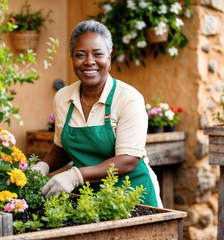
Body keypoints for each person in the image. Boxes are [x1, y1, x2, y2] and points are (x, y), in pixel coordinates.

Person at [32, 20, 163, 207]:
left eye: (98, 54)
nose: (89, 62)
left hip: (132, 196)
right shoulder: (63, 98)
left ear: (109, 58)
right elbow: (61, 149)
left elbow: (128, 161)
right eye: (80, 55)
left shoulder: (128, 98)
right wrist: (42, 167)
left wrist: (75, 176)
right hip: (86, 199)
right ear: (72, 59)